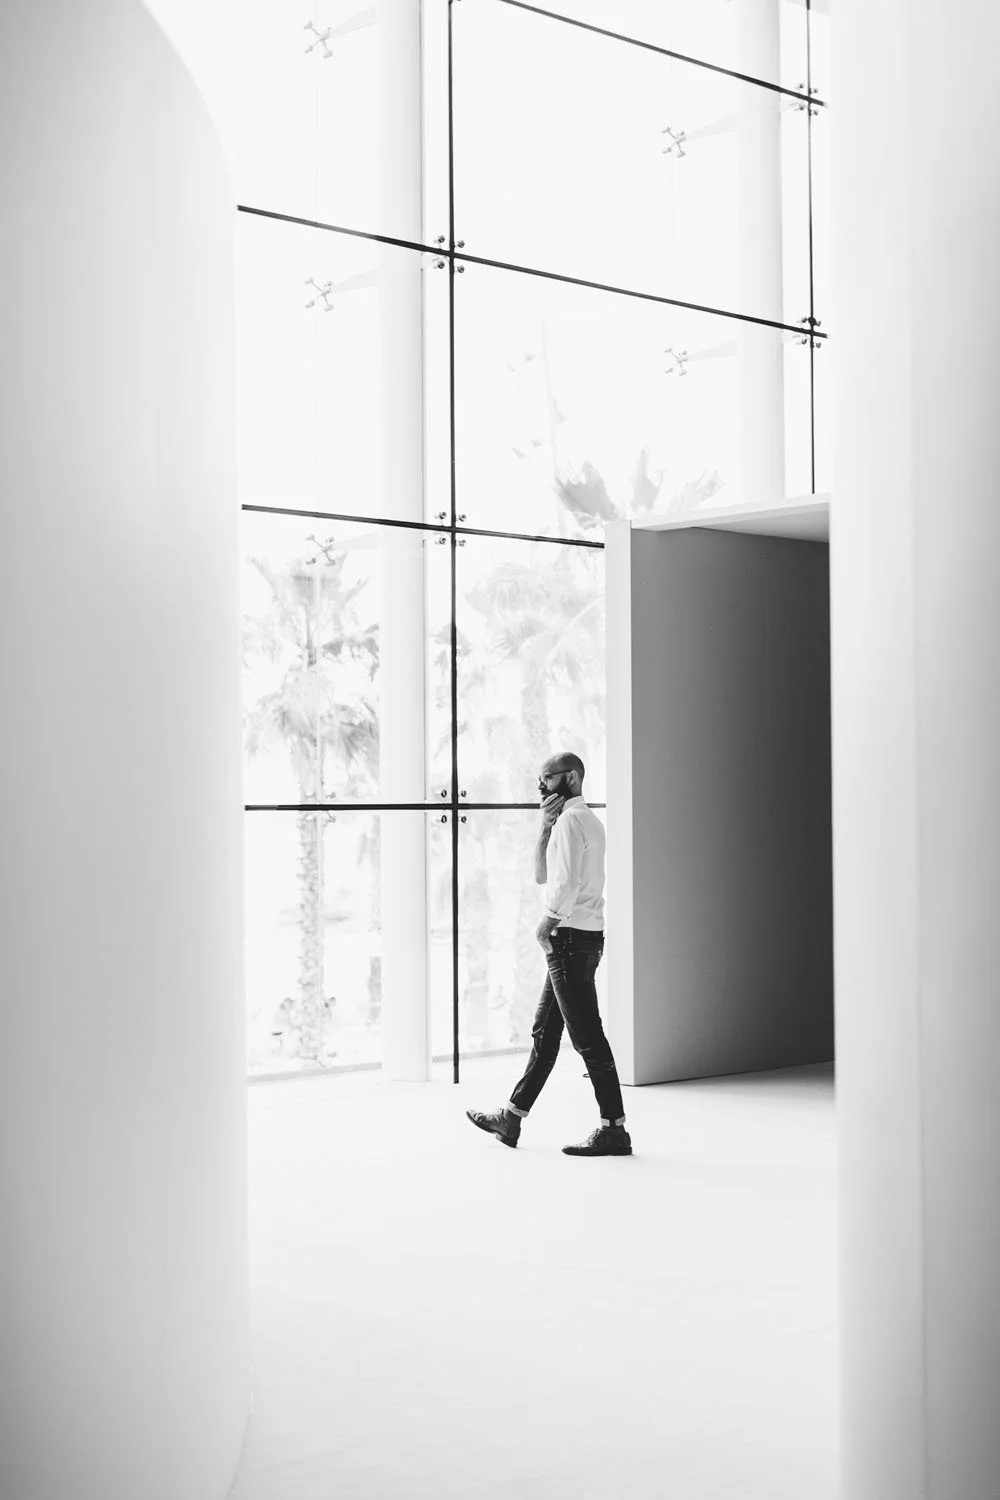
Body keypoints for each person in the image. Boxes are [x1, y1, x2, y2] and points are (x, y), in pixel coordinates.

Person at [466, 752, 632, 1157]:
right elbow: (542, 874)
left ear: (571, 778)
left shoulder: (576, 821)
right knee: (545, 1034)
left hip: (570, 938)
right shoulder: (572, 821)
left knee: (587, 1038)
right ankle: (511, 1118)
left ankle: (614, 1130)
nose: (540, 787)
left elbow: (567, 883)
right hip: (576, 938)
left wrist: (547, 922)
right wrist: (545, 826)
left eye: (547, 779)